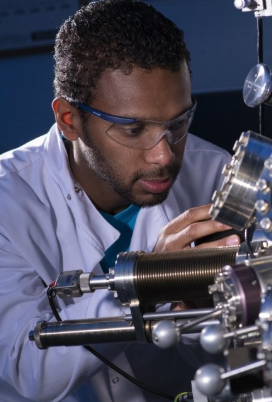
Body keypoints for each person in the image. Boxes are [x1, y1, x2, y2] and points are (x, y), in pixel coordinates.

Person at [0, 1, 240, 400]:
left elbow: (237, 356)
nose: (164, 155)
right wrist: (148, 282)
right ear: (70, 120)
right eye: (133, 129)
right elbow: (28, 369)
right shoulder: (7, 202)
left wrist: (206, 309)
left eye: (178, 123)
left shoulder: (216, 174)